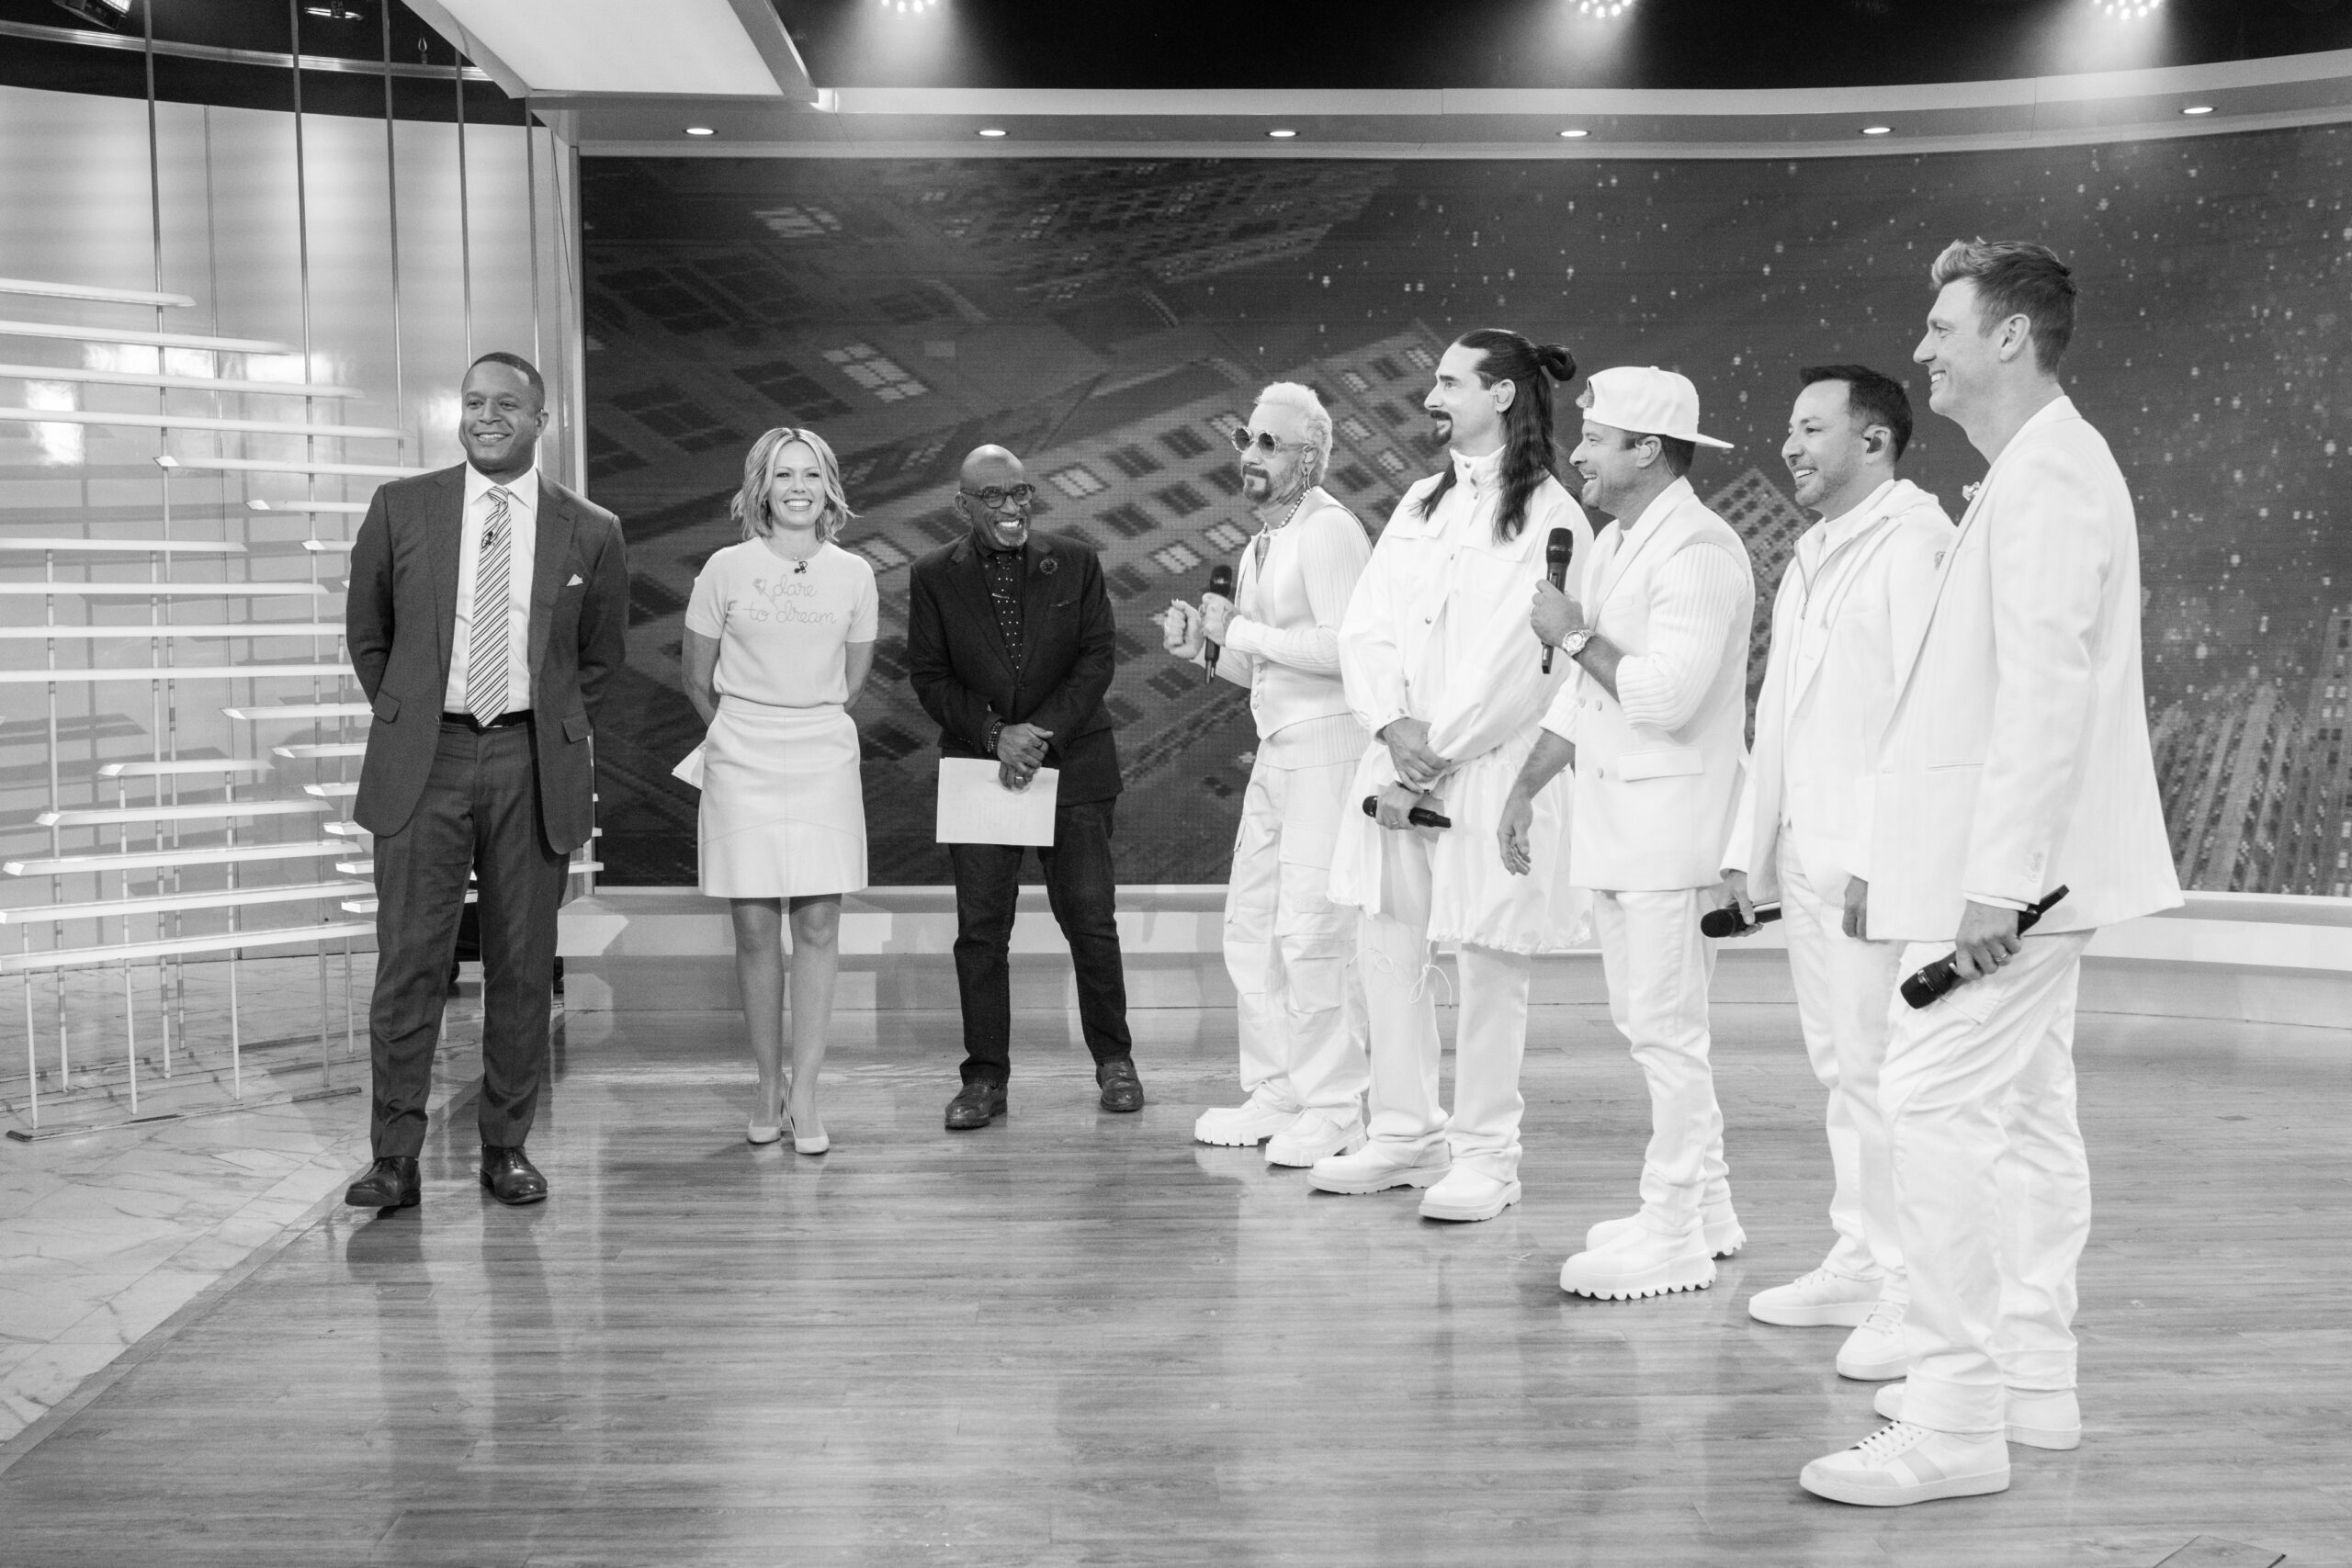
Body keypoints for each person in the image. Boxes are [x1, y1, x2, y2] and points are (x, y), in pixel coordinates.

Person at [1798, 242, 2182, 1507]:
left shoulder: (2052, 473)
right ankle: (2029, 1380)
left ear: (2010, 335)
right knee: (2023, 1112)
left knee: (1928, 1104)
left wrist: (1998, 886)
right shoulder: (2034, 469)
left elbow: (2044, 693)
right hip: (2014, 877)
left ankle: (1957, 1415)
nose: (1922, 349)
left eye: (1942, 326)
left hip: (2019, 885)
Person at [1314, 328, 1591, 1224]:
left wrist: (1436, 748)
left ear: (1502, 394)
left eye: (1449, 382)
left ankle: (1485, 1156)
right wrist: (1390, 724)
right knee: (1386, 946)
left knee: (1486, 962)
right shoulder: (1419, 503)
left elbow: (1525, 661)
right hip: (1397, 759)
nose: (1431, 398)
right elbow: (1367, 626)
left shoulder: (1553, 516)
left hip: (1482, 768)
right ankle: (1402, 1131)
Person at [342, 351, 629, 1210]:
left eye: (506, 404)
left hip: (531, 760)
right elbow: (368, 633)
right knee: (410, 963)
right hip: (424, 759)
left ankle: (506, 1147)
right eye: (473, 402)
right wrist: (411, 715)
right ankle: (395, 1158)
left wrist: (546, 726)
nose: (486, 416)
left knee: (521, 967)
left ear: (542, 420)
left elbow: (600, 659)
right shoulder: (402, 506)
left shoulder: (591, 528)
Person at [1719, 367, 1953, 1377]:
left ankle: (1914, 1288)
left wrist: (1880, 856)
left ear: (1874, 441)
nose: (1790, 445)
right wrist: (1752, 847)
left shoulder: (1918, 542)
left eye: (1811, 427)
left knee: (1890, 1074)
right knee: (1842, 1069)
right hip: (1807, 855)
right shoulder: (1813, 549)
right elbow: (1780, 710)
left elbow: (1927, 712)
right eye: (1789, 426)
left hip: (1872, 866)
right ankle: (1862, 1257)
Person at [1506, 366, 1754, 1300]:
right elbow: (1585, 696)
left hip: (1671, 835)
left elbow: (1660, 695)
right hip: (1621, 829)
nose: (1577, 454)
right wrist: (1523, 787)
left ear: (1647, 449)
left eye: (1595, 439)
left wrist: (1572, 633)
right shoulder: (1616, 540)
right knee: (1652, 1028)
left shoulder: (1701, 550)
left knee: (1665, 1036)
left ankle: (1672, 1228)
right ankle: (1708, 1210)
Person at [1163, 383, 1373, 1168]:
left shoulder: (1329, 530)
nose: (1249, 455)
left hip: (1330, 749)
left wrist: (1243, 630)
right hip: (1277, 748)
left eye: (1268, 443)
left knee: (1313, 932)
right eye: (1245, 440)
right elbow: (1264, 670)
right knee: (1252, 924)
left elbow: (1349, 650)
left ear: (1309, 458)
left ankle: (1335, 1105)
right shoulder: (1262, 543)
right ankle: (1278, 1089)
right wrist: (1206, 648)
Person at [906, 445, 1144, 1130]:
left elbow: (1097, 657)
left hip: (1074, 764)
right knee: (982, 932)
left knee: (1091, 920)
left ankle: (1115, 1061)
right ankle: (984, 1078)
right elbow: (929, 676)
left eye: (1020, 493)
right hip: (981, 769)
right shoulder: (932, 575)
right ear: (964, 505)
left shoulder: (1076, 561)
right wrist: (994, 734)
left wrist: (1037, 734)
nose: (1011, 508)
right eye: (994, 497)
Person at [681, 427, 876, 1156]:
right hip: (742, 753)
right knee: (756, 929)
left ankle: (807, 1092)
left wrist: (805, 718)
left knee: (819, 924)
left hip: (823, 752)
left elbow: (853, 680)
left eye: (811, 474)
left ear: (829, 487)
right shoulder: (724, 568)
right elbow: (694, 677)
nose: (798, 487)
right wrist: (738, 734)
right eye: (784, 474)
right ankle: (767, 1084)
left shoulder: (854, 573)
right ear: (761, 487)